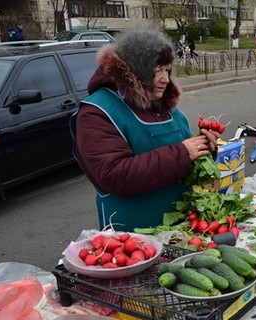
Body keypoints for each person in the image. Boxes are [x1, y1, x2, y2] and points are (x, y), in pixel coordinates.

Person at [71, 27, 220, 231]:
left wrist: (203, 149)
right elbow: (114, 175)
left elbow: (183, 161)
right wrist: (183, 153)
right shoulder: (97, 112)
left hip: (181, 226)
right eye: (156, 69)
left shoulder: (165, 107)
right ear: (134, 68)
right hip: (131, 236)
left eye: (167, 70)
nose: (165, 79)